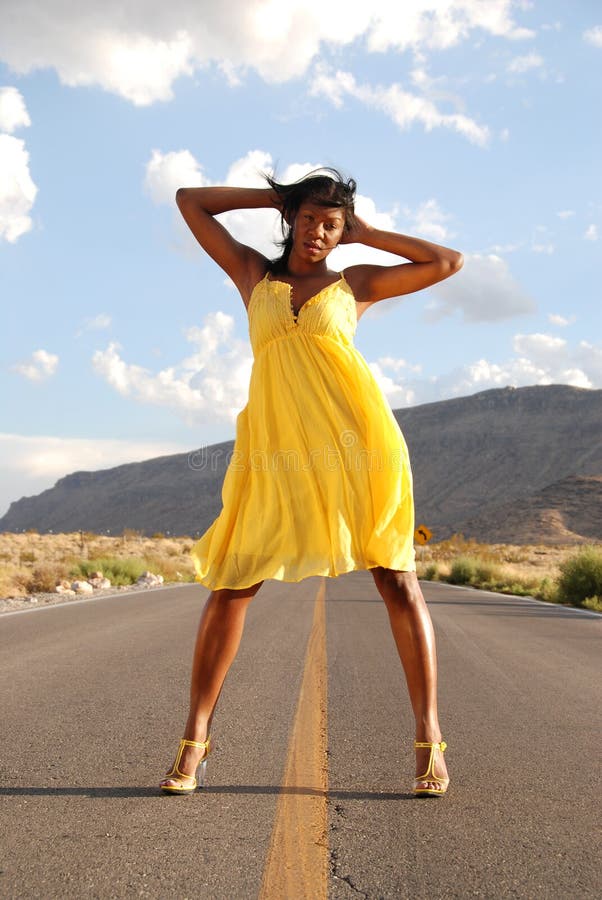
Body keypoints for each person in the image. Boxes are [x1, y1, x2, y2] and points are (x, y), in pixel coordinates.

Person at [160, 168, 463, 797]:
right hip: (276, 455)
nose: (318, 234)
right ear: (291, 219)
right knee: (233, 582)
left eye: (332, 224)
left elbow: (446, 261)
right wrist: (278, 196)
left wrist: (367, 233)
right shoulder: (252, 275)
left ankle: (429, 738)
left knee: (397, 581)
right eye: (308, 219)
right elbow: (191, 202)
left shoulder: (355, 286)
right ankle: (195, 740)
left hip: (359, 448)